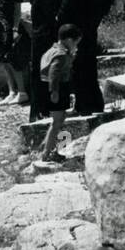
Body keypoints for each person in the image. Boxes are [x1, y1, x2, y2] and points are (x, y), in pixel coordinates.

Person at [56, 0, 116, 116]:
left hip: (75, 27)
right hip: (92, 25)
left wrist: (60, 23)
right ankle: (95, 103)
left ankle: (82, 106)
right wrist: (95, 18)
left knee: (78, 66)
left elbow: (67, 5)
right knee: (90, 64)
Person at [24, 0, 64, 121]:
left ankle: (41, 112)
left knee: (40, 77)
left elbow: (48, 19)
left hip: (44, 41)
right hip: (50, 39)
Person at [39, 25, 81, 163]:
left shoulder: (53, 50)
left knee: (59, 119)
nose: (76, 45)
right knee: (57, 122)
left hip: (49, 87)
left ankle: (47, 147)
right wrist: (54, 92)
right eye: (75, 42)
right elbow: (54, 72)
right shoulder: (61, 55)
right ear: (69, 40)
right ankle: (46, 154)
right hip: (56, 88)